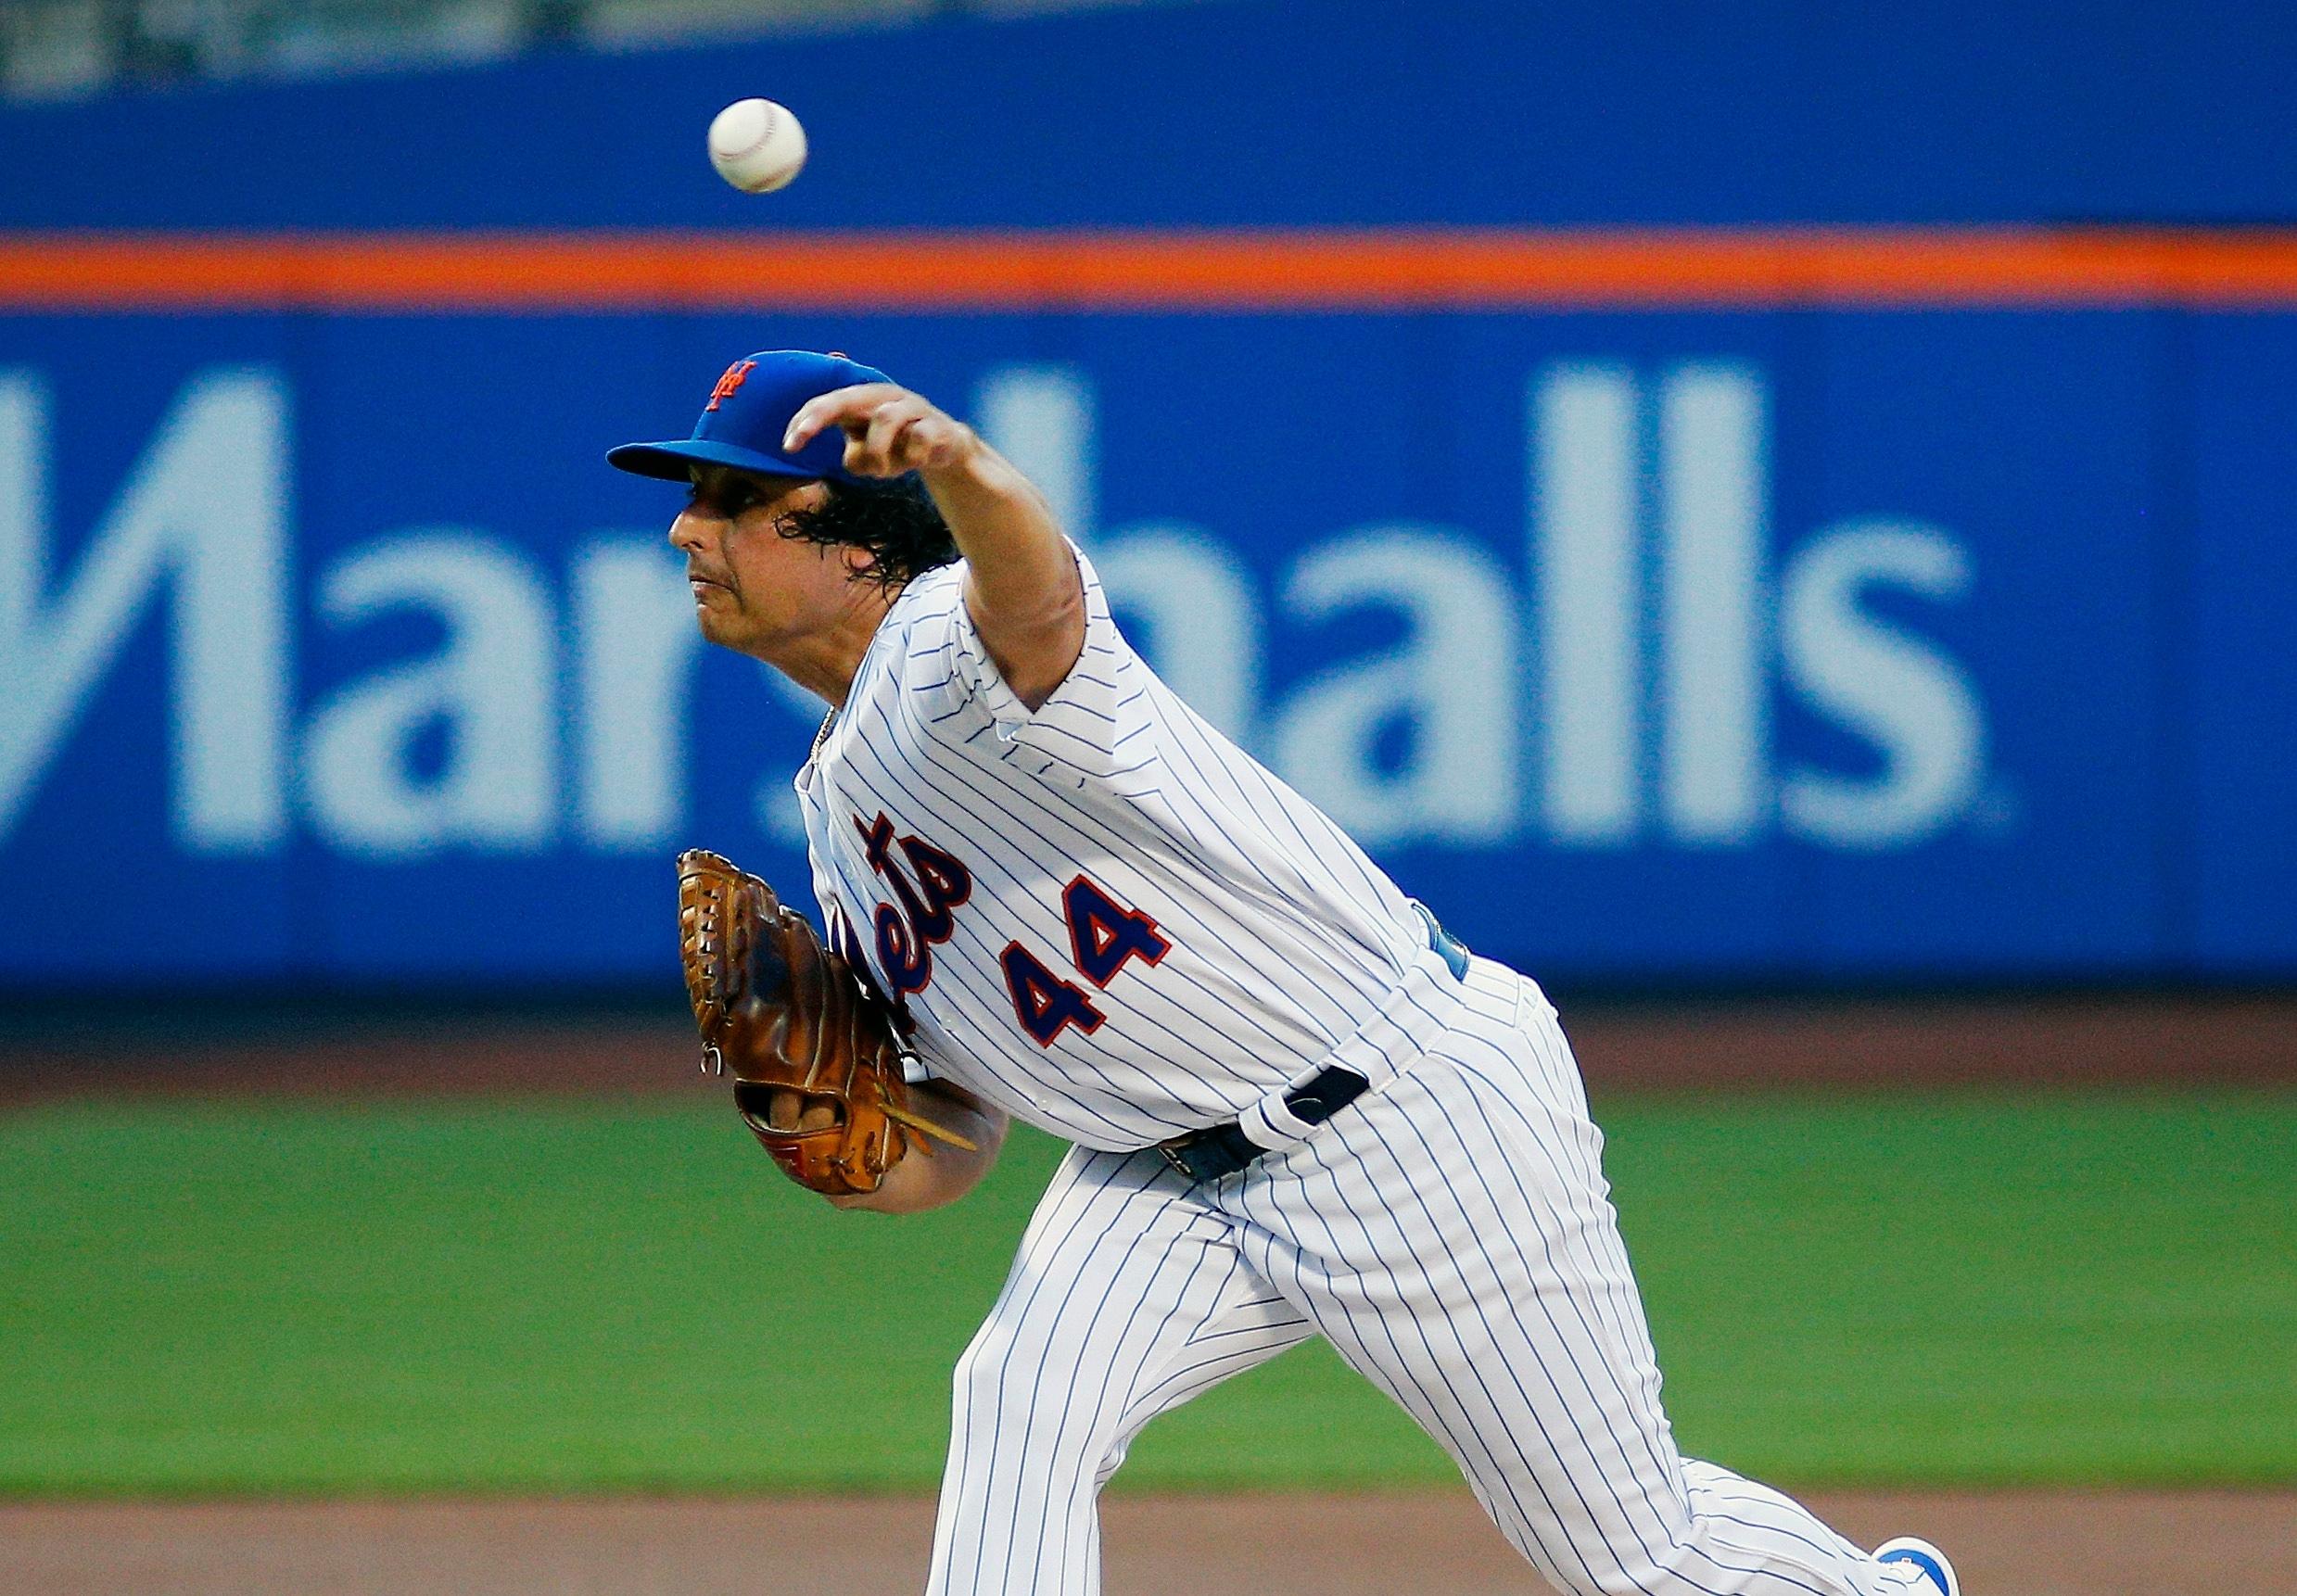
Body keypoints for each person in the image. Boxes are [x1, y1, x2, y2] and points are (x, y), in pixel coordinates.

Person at [608, 349, 1961, 1596]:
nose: (686, 528)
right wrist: (828, 1131)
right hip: (1160, 1167)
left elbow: (1033, 593)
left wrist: (961, 466)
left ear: (854, 542)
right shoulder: (839, 809)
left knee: (1630, 1554)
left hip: (1409, 1117)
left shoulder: (946, 653)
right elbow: (954, 1133)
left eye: (734, 499)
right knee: (1021, 1395)